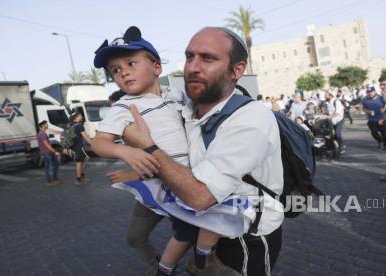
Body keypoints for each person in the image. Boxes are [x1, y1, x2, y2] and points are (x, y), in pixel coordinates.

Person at [122, 26, 284, 276]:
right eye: (189, 57)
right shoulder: (186, 109)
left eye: (208, 58)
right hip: (204, 229)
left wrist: (147, 145)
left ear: (237, 70)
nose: (193, 67)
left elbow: (200, 197)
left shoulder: (251, 118)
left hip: (242, 238)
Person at [91, 26, 240, 276]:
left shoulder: (177, 95)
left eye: (130, 63)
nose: (123, 72)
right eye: (115, 70)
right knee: (185, 230)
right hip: (166, 180)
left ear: (157, 67)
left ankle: (202, 258)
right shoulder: (124, 107)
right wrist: (128, 153)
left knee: (218, 210)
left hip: (196, 173)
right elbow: (99, 142)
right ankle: (170, 267)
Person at [69, 112, 92, 185]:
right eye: (80, 116)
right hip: (78, 147)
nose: (81, 117)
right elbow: (85, 136)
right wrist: (92, 143)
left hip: (73, 146)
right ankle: (78, 180)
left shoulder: (70, 125)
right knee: (79, 162)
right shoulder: (79, 125)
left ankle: (81, 176)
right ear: (77, 117)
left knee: (86, 159)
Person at [37, 120, 61, 186]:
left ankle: (54, 178)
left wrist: (52, 151)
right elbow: (46, 145)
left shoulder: (44, 133)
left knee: (56, 164)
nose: (47, 125)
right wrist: (55, 151)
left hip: (49, 152)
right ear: (42, 126)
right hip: (46, 153)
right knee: (48, 167)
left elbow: (48, 144)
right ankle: (49, 181)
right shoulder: (42, 134)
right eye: (46, 124)